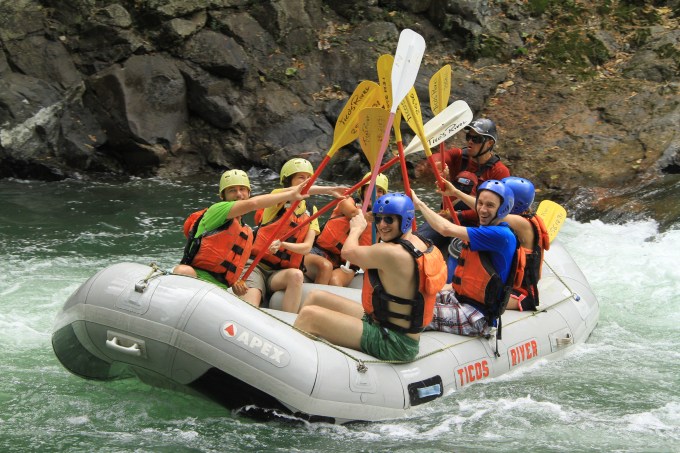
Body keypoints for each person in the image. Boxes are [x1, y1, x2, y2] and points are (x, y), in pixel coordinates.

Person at [294, 193, 447, 362]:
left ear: (405, 220)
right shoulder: (419, 242)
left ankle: (295, 364)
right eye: (378, 218)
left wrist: (356, 229)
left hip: (394, 342)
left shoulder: (392, 252)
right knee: (316, 297)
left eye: (389, 219)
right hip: (382, 322)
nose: (382, 225)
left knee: (309, 316)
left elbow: (347, 252)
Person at [410, 179, 522, 338]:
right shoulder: (493, 227)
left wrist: (419, 204)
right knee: (408, 298)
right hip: (459, 297)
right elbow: (479, 206)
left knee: (414, 312)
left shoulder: (499, 235)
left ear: (502, 210)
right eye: (480, 203)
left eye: (490, 205)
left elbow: (445, 228)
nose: (482, 209)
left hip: (476, 315)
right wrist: (455, 192)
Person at [174, 169, 311, 296]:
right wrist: (291, 194)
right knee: (183, 271)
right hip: (197, 278)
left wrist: (235, 284)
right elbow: (253, 204)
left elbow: (234, 265)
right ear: (223, 196)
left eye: (242, 190)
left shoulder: (247, 232)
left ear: (249, 193)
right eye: (232, 191)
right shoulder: (217, 210)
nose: (239, 194)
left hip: (219, 290)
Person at [245, 158, 344, 313]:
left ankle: (290, 322)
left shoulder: (311, 211)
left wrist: (284, 245)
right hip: (256, 266)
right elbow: (296, 191)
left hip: (279, 273)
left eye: (308, 178)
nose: (306, 182)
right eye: (301, 178)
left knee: (297, 275)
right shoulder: (276, 199)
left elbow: (306, 248)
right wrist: (327, 190)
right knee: (251, 303)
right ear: (289, 180)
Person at [415, 118, 511, 252]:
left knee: (458, 252)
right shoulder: (460, 155)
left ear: (489, 143)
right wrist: (440, 165)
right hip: (446, 217)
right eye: (468, 137)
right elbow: (441, 156)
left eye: (476, 139)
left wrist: (460, 215)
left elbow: (496, 211)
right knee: (415, 242)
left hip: (474, 225)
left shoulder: (500, 171)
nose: (470, 141)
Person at [309, 172, 389, 287]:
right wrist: (366, 216)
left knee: (335, 281)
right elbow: (352, 212)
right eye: (371, 190)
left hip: (347, 265)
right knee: (325, 267)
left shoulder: (380, 224)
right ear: (362, 191)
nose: (375, 194)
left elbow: (372, 250)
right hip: (320, 252)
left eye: (380, 191)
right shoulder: (347, 201)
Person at [501, 176, 550, 311]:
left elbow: (487, 211)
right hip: (509, 286)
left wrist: (456, 193)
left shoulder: (522, 224)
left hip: (523, 294)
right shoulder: (521, 219)